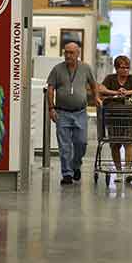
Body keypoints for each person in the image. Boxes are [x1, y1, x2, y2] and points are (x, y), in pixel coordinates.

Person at [47, 42, 101, 185]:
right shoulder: (57, 69)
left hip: (80, 112)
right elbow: (51, 88)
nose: (68, 55)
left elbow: (93, 84)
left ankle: (76, 165)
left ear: (78, 54)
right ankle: (67, 174)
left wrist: (96, 97)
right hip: (62, 113)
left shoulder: (85, 68)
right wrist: (51, 108)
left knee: (81, 143)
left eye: (71, 53)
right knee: (64, 146)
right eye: (66, 52)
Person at [100, 55, 132, 183]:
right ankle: (119, 171)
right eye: (122, 67)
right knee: (115, 145)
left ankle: (127, 170)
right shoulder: (110, 79)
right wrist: (115, 93)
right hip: (113, 117)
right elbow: (101, 88)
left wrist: (127, 92)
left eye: (127, 67)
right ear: (116, 68)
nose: (125, 70)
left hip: (129, 117)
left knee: (129, 143)